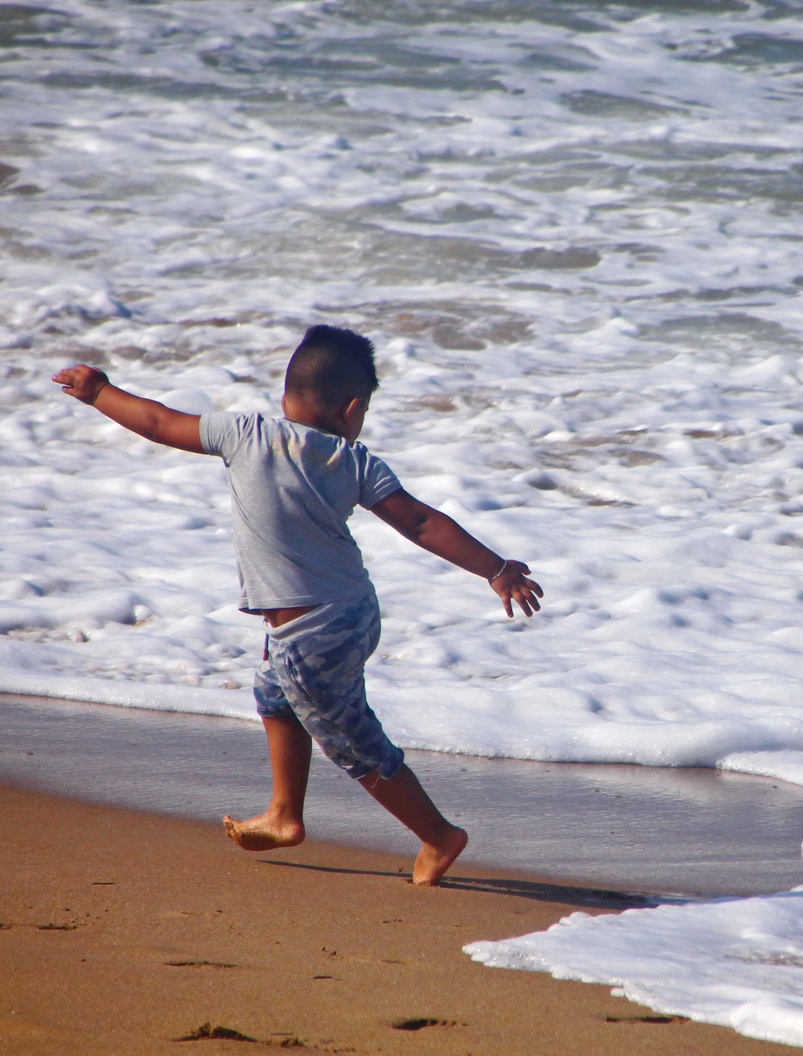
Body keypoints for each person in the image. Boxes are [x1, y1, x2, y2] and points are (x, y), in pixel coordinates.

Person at [52, 325, 541, 886]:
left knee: (354, 742)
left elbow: (159, 421)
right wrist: (495, 570)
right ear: (351, 407)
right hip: (348, 612)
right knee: (274, 694)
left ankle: (438, 835)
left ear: (286, 393)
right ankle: (285, 813)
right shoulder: (355, 460)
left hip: (310, 629)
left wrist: (100, 393)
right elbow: (422, 522)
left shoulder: (245, 434)